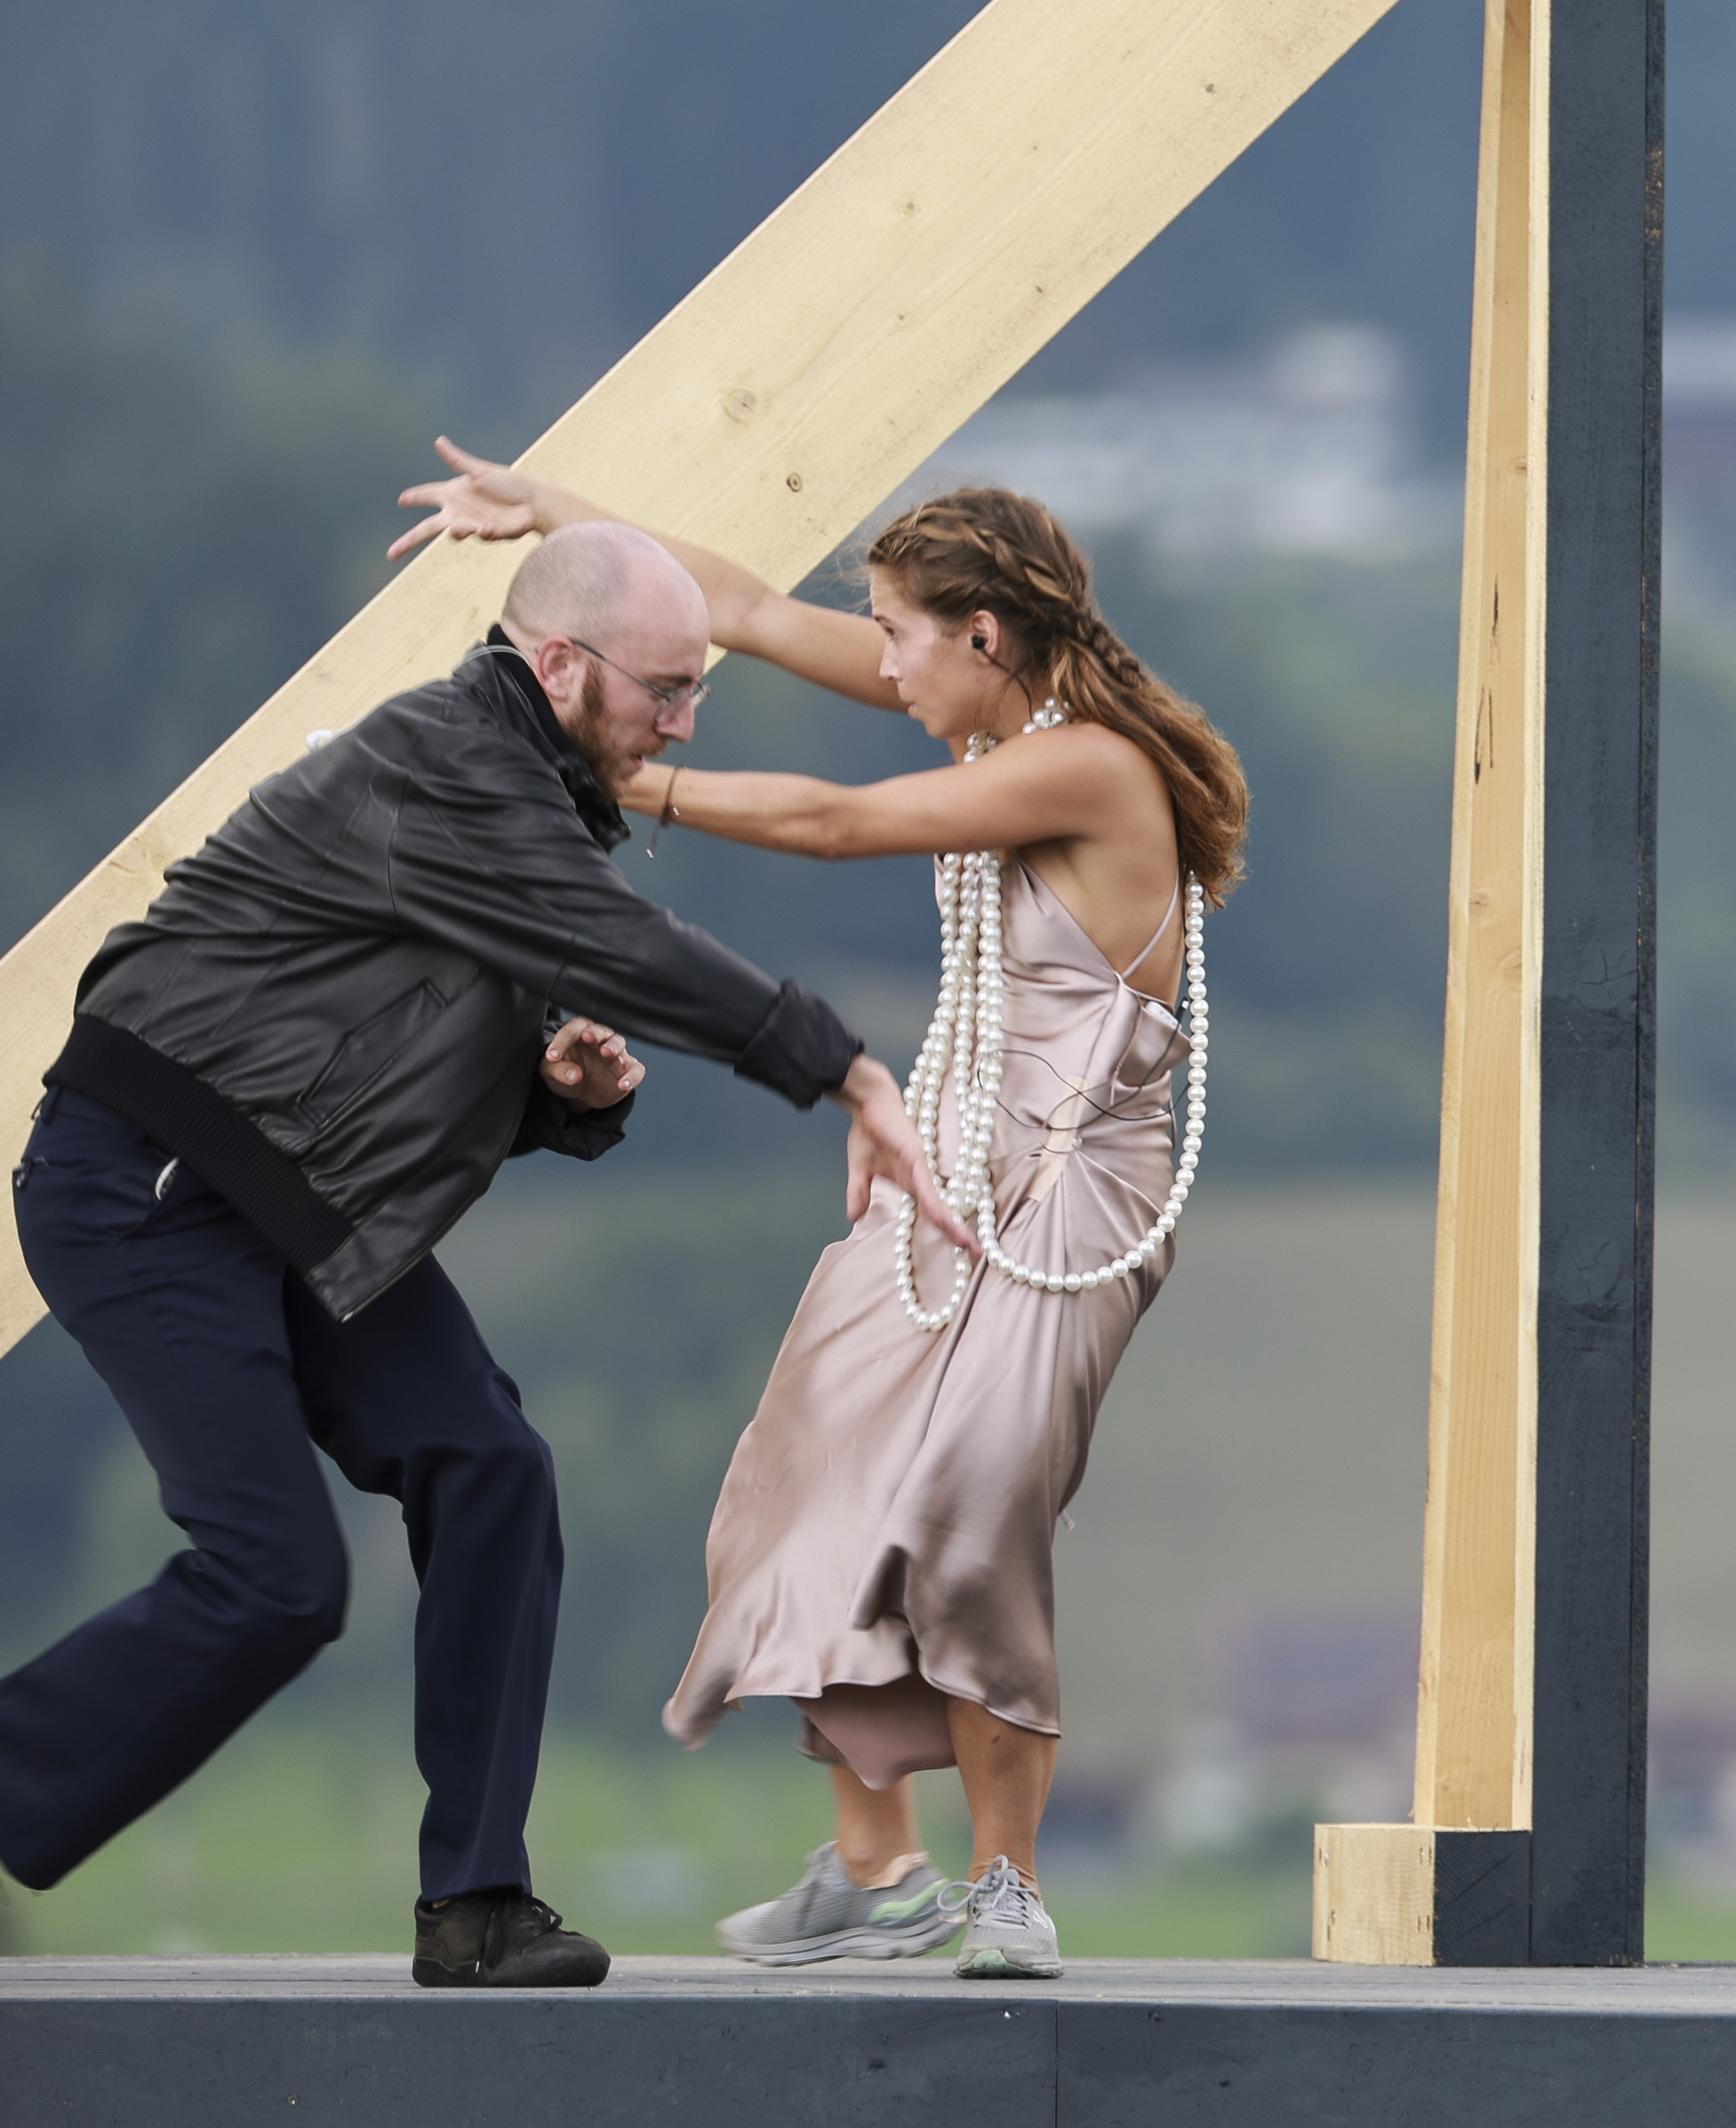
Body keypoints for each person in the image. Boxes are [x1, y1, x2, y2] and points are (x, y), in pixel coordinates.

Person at [0, 521, 967, 1988]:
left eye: (698, 690)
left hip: (291, 1197)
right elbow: (612, 939)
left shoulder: (534, 795)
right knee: (274, 1579)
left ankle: (478, 1906)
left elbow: (381, 1052)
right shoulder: (446, 758)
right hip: (150, 1179)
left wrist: (554, 1099)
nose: (683, 724)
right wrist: (838, 1066)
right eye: (664, 689)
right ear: (560, 663)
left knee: (491, 1465)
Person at [394, 446, 1244, 1979]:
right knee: (810, 1471)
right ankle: (876, 1869)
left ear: (983, 636)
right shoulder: (988, 702)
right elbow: (734, 605)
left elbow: (838, 825)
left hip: (1064, 1194)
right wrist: (561, 508)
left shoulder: (1090, 764)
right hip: (952, 1170)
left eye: (901, 635)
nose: (882, 661)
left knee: (974, 1509)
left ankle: (1005, 1884)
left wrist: (609, 776)